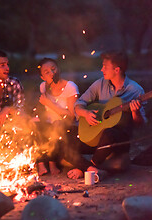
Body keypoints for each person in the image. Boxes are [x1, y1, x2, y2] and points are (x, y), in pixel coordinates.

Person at [67, 51, 146, 179]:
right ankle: (90, 168)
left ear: (117, 70)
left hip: (117, 142)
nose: (101, 69)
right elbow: (79, 104)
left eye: (105, 66)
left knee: (110, 133)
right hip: (96, 137)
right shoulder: (100, 84)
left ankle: (88, 167)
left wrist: (135, 112)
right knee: (66, 136)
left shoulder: (135, 90)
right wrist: (86, 113)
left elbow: (140, 124)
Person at [36, 58, 79, 175]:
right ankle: (40, 164)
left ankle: (52, 163)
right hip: (49, 124)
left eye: (53, 69)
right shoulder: (43, 87)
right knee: (34, 123)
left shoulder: (70, 87)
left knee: (56, 125)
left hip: (66, 126)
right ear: (42, 77)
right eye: (47, 72)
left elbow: (72, 116)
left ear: (58, 69)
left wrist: (50, 103)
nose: (52, 73)